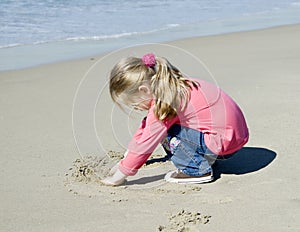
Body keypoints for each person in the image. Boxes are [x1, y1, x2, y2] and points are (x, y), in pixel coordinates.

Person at [101, 53, 249, 186]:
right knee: (162, 127)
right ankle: (204, 158)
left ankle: (196, 170)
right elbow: (145, 130)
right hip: (235, 137)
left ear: (144, 90)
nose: (136, 108)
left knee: (166, 133)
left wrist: (119, 177)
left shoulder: (165, 103)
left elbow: (146, 142)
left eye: (134, 104)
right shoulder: (176, 86)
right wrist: (123, 163)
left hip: (223, 144)